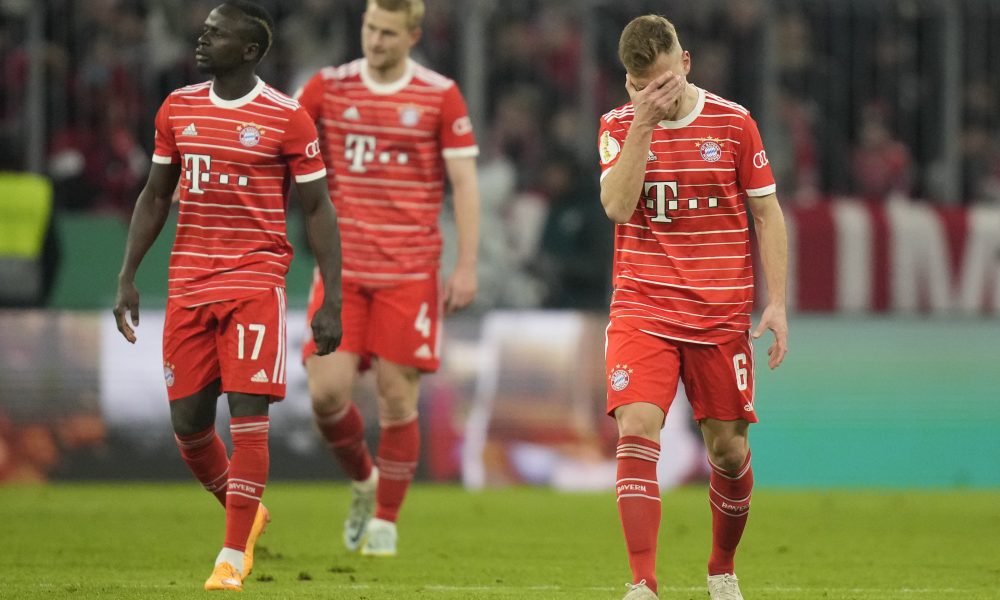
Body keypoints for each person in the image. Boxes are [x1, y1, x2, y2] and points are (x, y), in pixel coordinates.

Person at [112, 1, 343, 591]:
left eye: (216, 33)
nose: (202, 38)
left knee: (248, 416)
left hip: (254, 282)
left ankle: (232, 556)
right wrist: (128, 274)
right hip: (189, 284)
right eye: (204, 30)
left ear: (249, 50)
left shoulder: (287, 118)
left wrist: (332, 299)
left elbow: (318, 208)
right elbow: (155, 195)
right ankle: (249, 512)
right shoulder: (178, 107)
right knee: (189, 427)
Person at [598, 15, 789, 600]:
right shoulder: (617, 125)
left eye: (666, 81)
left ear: (686, 62)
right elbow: (617, 207)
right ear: (630, 83)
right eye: (645, 86)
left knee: (728, 453)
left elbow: (767, 214)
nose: (660, 94)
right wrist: (643, 125)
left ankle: (721, 569)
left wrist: (778, 303)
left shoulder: (734, 124)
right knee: (637, 426)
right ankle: (643, 583)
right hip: (643, 306)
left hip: (719, 314)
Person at [294, 0, 479, 557]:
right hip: (342, 272)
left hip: (409, 272)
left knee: (398, 397)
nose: (375, 40)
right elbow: (279, 143)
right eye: (370, 28)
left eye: (388, 33)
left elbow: (464, 183)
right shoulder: (328, 87)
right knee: (326, 394)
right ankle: (364, 479)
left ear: (413, 36)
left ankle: (386, 521)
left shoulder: (439, 95)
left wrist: (466, 265)